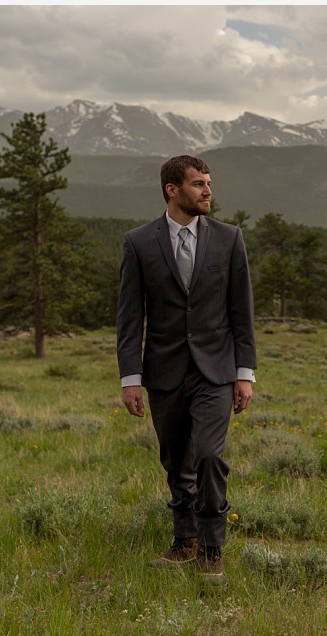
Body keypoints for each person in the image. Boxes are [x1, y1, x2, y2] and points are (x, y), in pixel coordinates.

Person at [117, 155, 256, 585]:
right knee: (176, 460)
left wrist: (244, 373)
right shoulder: (139, 242)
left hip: (216, 370)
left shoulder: (229, 239)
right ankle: (184, 541)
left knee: (210, 456)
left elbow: (241, 312)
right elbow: (129, 317)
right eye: (198, 184)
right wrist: (131, 379)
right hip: (163, 372)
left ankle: (213, 549)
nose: (208, 191)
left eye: (209, 183)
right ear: (171, 190)